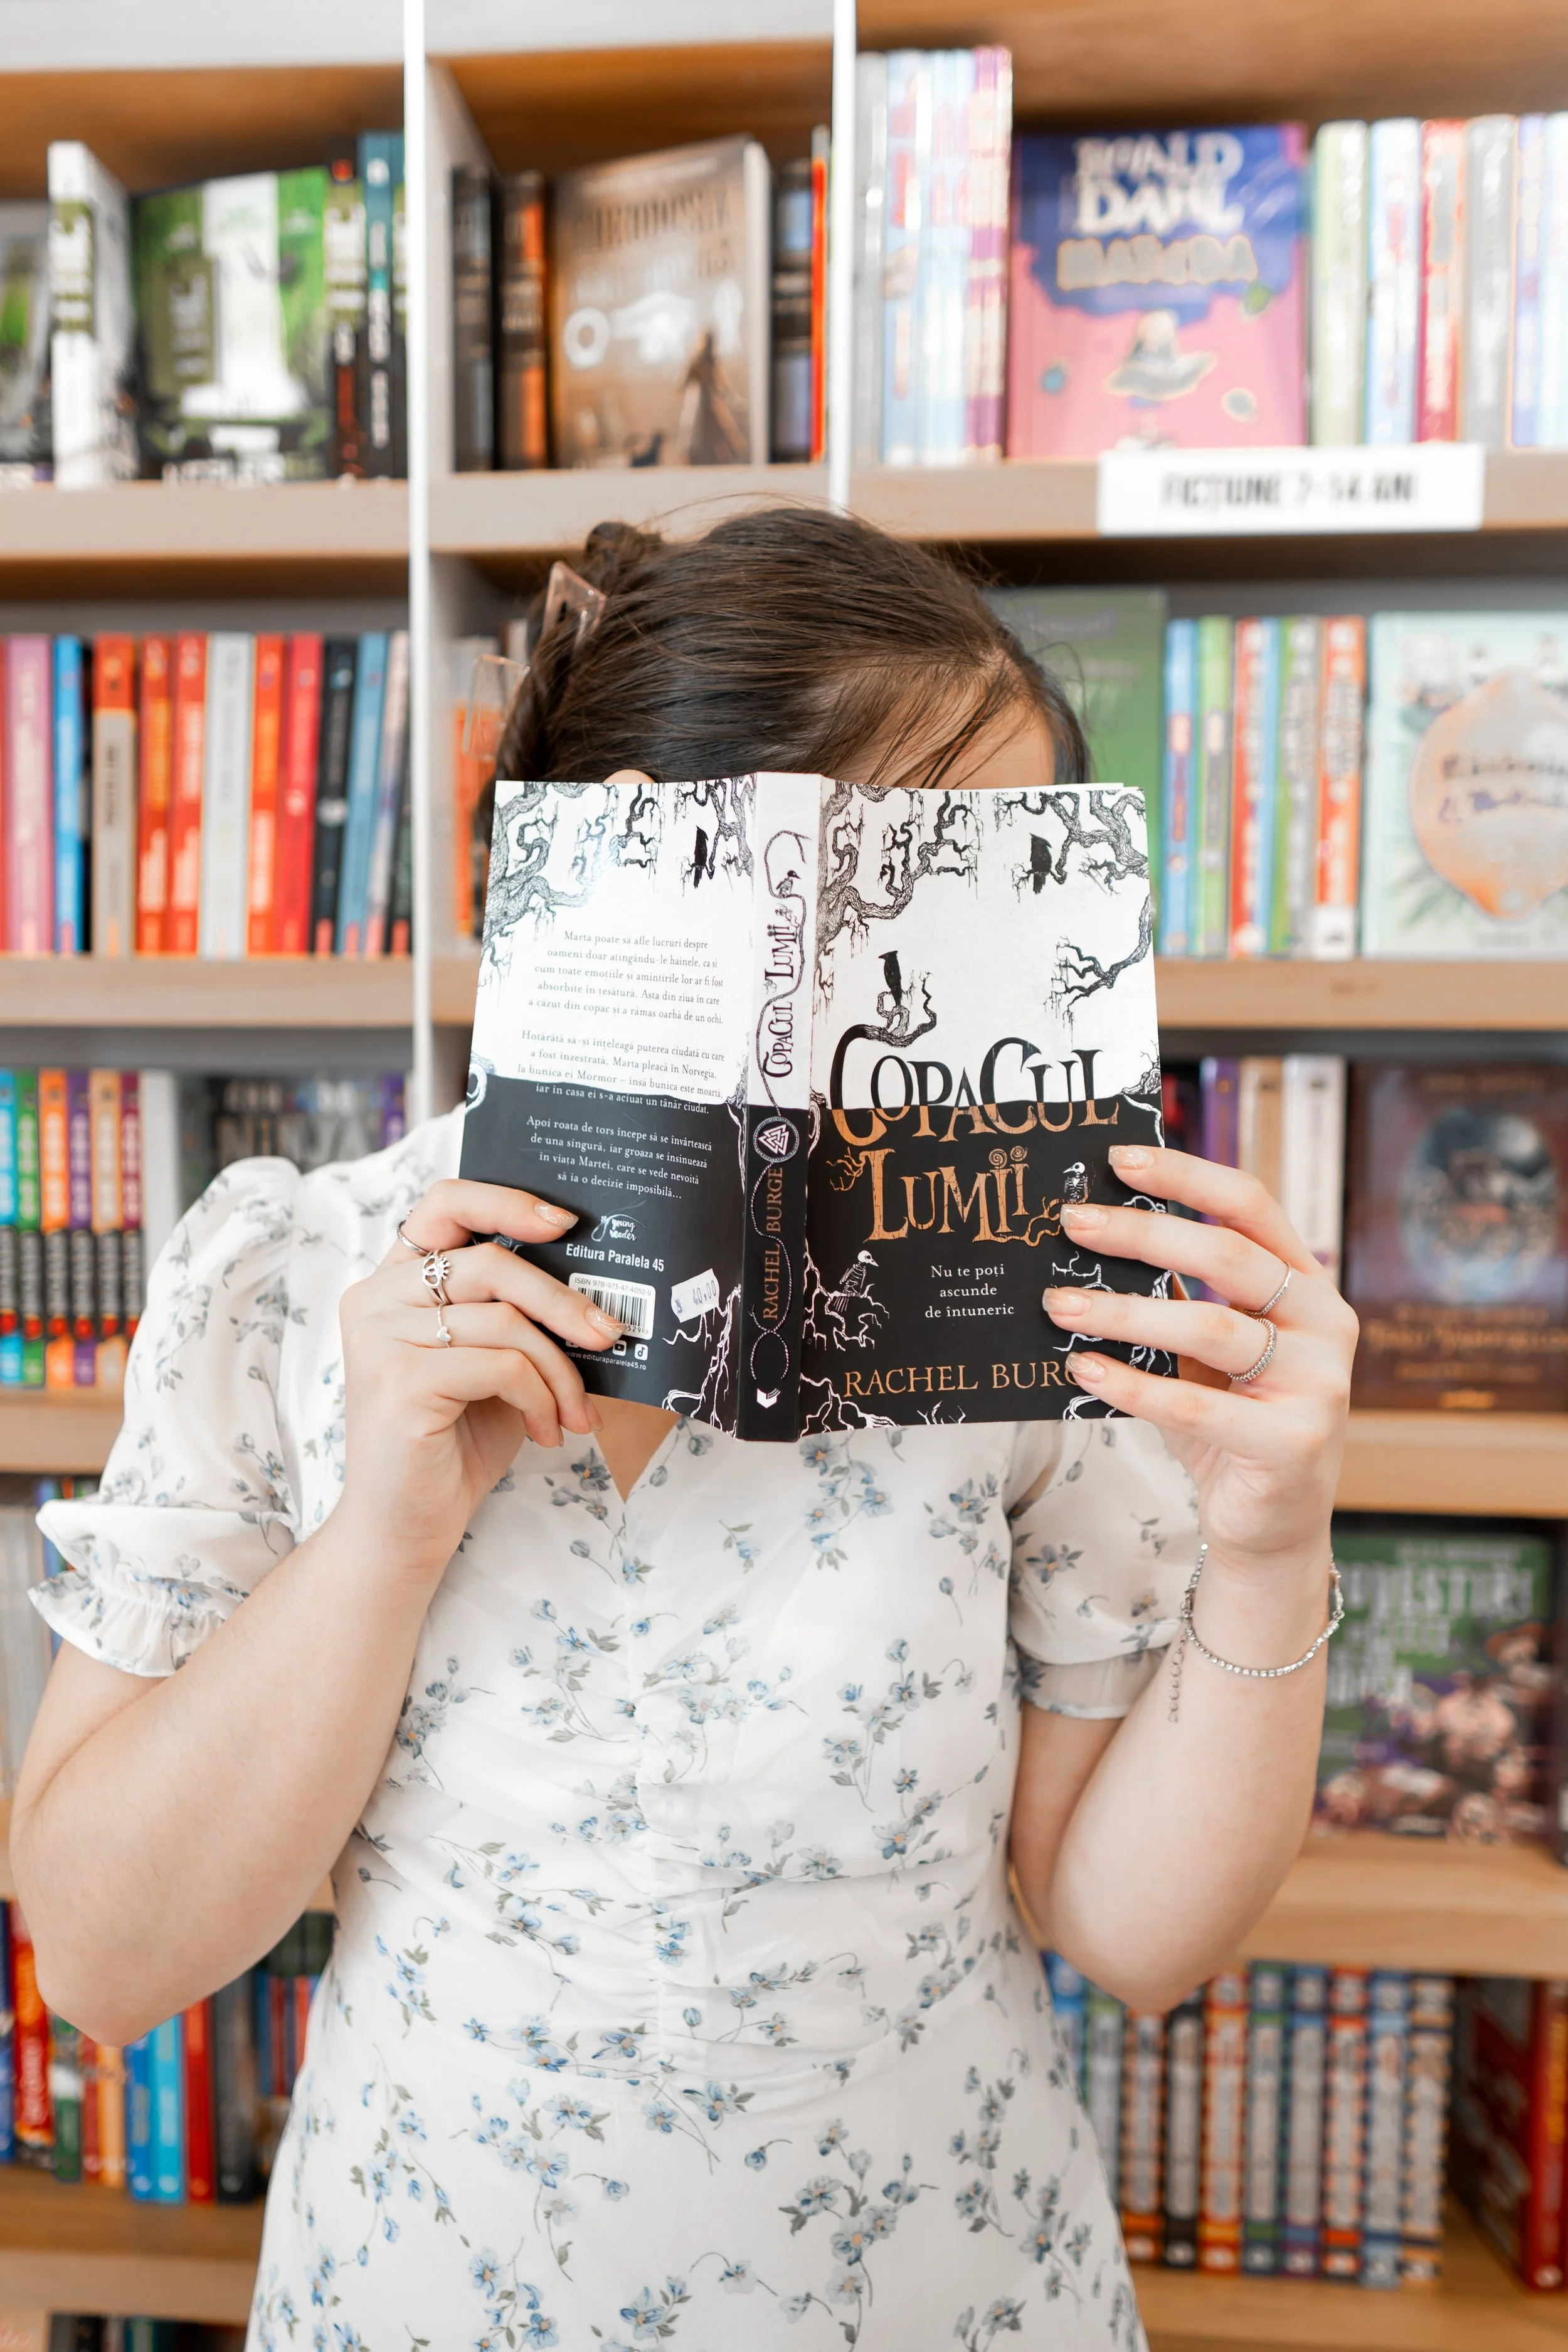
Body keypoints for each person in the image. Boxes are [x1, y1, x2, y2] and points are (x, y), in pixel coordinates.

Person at [12, 509, 1356, 2351]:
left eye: (980, 911)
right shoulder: (285, 1272)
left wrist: (1272, 1541)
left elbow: (1126, 1928)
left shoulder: (1021, 1322)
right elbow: (99, 1956)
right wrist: (386, 1532)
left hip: (952, 2295)